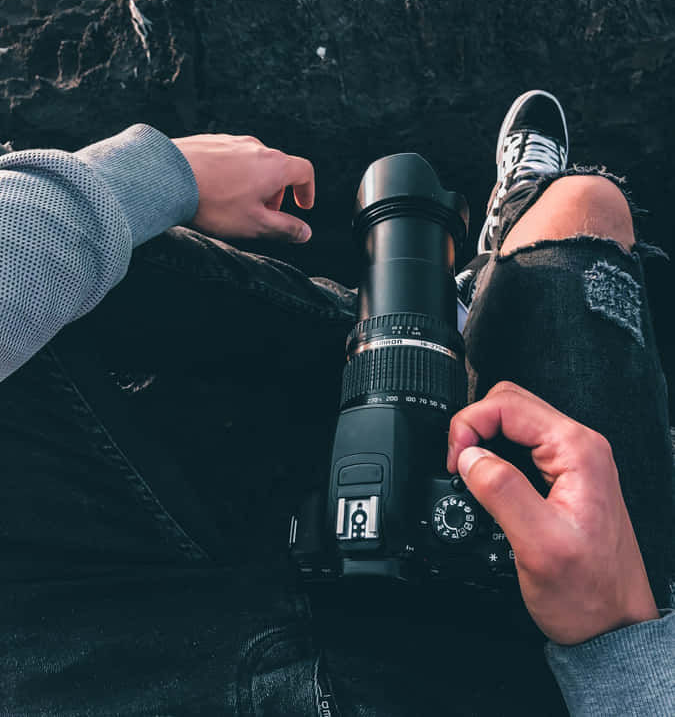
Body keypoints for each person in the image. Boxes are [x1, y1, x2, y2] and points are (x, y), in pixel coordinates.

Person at [0, 90, 672, 716]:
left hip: (145, 542)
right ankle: (483, 281)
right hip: (525, 657)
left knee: (440, 272)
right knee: (582, 205)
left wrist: (159, 178)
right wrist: (612, 638)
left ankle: (453, 306)